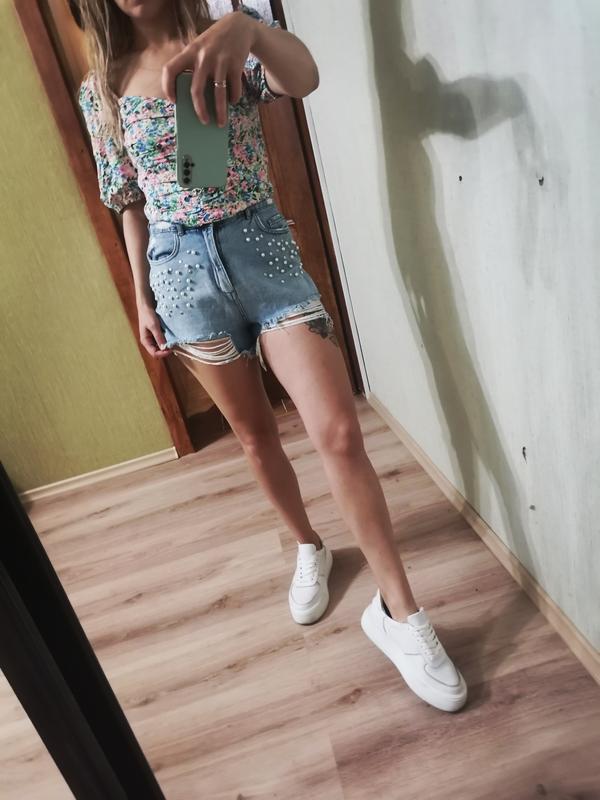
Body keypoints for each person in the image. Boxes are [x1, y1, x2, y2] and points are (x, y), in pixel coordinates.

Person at [74, 0, 467, 713]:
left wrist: (251, 30)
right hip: (180, 276)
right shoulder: (101, 84)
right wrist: (141, 298)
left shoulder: (227, 41)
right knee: (256, 437)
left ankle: (400, 614)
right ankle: (309, 546)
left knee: (338, 432)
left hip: (263, 252)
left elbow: (303, 79)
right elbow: (127, 199)